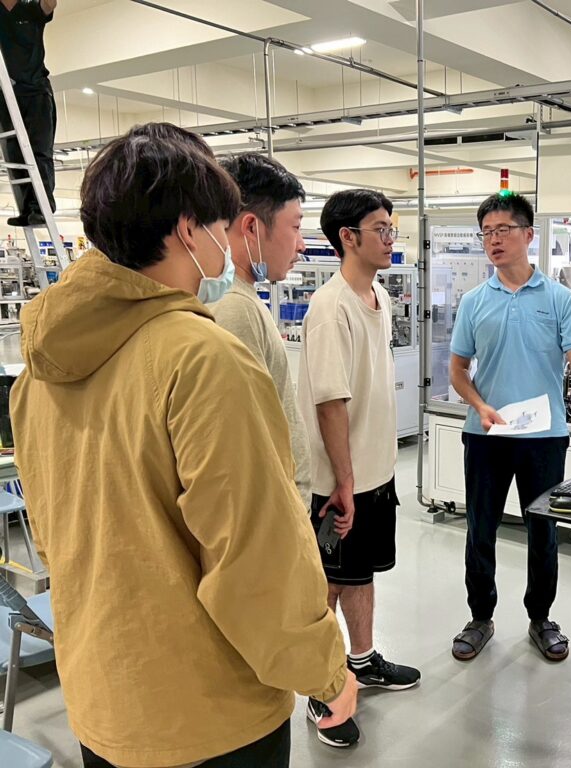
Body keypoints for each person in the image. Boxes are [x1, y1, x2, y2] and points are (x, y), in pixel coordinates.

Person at [10, 123, 356, 768]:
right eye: (223, 228)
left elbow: (55, 532)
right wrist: (326, 673)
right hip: (207, 709)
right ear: (189, 231)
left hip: (103, 690)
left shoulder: (41, 370)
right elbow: (254, 557)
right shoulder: (202, 356)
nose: (228, 245)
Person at [449, 191, 571, 662]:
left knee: (543, 531)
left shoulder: (560, 298)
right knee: (480, 529)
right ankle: (480, 617)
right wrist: (480, 406)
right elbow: (458, 371)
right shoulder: (474, 302)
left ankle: (541, 617)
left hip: (544, 437)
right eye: (487, 232)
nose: (494, 240)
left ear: (528, 235)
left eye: (503, 230)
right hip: (486, 434)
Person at [297, 188, 420, 746]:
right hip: (336, 484)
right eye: (381, 229)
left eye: (392, 228)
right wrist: (344, 482)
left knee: (360, 573)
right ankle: (322, 687)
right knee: (325, 584)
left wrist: (370, 474)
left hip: (374, 474)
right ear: (348, 237)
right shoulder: (331, 308)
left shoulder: (379, 297)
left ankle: (363, 660)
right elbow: (331, 402)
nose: (391, 238)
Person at [212, 153, 311, 507]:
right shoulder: (234, 308)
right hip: (273, 512)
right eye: (295, 227)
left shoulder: (243, 298)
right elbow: (246, 444)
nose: (301, 244)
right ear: (252, 228)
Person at [0, 0, 57, 226]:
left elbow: (49, 4)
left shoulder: (30, 8)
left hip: (35, 91)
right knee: (14, 153)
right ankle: (27, 209)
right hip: (6, 95)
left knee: (39, 150)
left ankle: (41, 208)